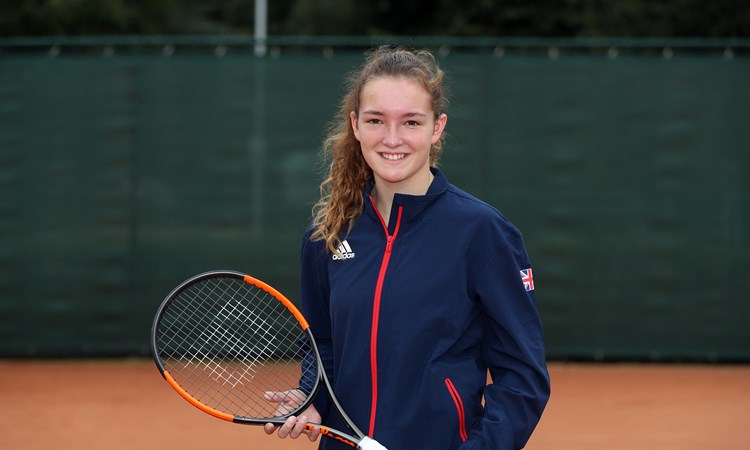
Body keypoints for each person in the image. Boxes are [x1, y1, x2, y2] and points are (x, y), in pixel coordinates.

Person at [264, 46, 550, 450]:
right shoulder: (326, 234)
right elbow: (322, 345)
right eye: (376, 120)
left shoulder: (483, 232)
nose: (392, 138)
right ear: (356, 125)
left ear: (437, 128)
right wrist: (314, 400)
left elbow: (523, 378)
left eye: (411, 122)